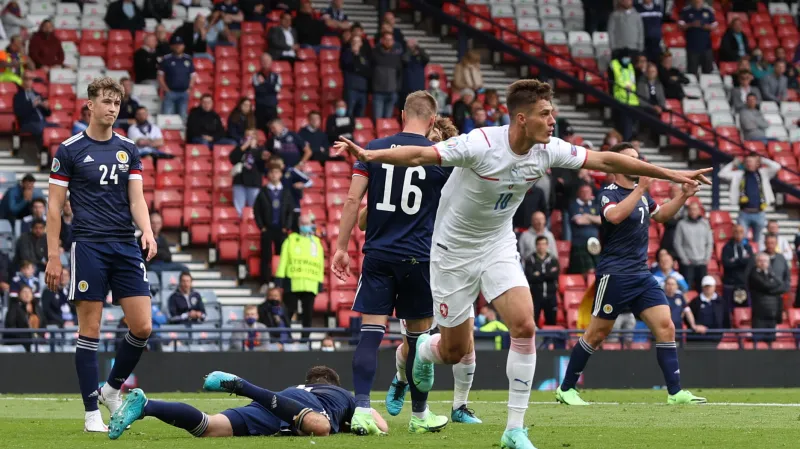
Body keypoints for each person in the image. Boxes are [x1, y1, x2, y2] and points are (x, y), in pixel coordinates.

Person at [334, 79, 711, 448]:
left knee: (525, 325)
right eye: (545, 114)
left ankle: (514, 429)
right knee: (452, 351)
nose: (552, 121)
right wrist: (370, 156)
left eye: (552, 114)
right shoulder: (481, 143)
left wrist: (671, 174)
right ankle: (420, 352)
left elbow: (605, 158)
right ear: (521, 119)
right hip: (452, 252)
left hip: (497, 245)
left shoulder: (547, 149)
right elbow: (419, 155)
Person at [332, 91, 457, 435]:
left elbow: (353, 199)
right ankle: (419, 416)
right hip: (420, 258)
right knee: (418, 343)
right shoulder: (439, 159)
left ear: (403, 113)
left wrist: (342, 248)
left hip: (379, 256)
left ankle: (360, 411)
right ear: (433, 120)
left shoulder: (373, 148)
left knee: (370, 336)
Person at [45, 77, 157, 433]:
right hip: (89, 245)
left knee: (143, 326)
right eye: (106, 101)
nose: (112, 108)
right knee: (89, 329)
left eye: (116, 103)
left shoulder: (129, 148)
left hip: (125, 244)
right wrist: (53, 255)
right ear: (89, 105)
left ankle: (111, 388)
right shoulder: (69, 150)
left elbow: (136, 198)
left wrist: (148, 231)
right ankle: (91, 412)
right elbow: (54, 208)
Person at [556, 143, 706, 406]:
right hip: (614, 274)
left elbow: (661, 217)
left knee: (666, 326)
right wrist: (639, 190)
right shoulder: (608, 193)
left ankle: (675, 392)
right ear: (617, 166)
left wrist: (683, 195)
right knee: (597, 333)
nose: (637, 164)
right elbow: (613, 217)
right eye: (631, 160)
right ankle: (566, 388)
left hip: (641, 274)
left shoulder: (644, 197)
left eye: (639, 159)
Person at [108, 366, 388, 439]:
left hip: (280, 404)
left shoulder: (299, 385)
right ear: (333, 383)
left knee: (210, 427)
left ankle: (146, 406)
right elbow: (381, 425)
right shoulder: (342, 395)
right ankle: (244, 386)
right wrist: (355, 420)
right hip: (302, 406)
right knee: (321, 427)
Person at [275, 214, 324, 342]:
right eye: (302, 223)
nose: (305, 226)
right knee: (289, 312)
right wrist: (279, 278)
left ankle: (305, 340)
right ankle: (286, 337)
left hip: (311, 283)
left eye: (307, 223)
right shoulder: (290, 240)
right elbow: (283, 260)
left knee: (307, 315)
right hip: (292, 281)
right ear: (298, 224)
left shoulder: (316, 242)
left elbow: (320, 263)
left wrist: (320, 281)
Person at [719, 154, 781, 243]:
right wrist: (733, 163)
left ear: (757, 163)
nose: (749, 163)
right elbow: (722, 174)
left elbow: (777, 167)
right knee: (741, 239)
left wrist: (762, 160)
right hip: (744, 213)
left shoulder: (763, 173)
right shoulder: (739, 174)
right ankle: (744, 256)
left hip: (759, 213)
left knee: (758, 240)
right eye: (747, 161)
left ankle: (756, 256)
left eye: (751, 161)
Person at [253, 165, 294, 289]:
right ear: (268, 175)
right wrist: (262, 227)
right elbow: (257, 211)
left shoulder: (286, 192)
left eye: (277, 172)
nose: (274, 175)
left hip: (281, 230)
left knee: (282, 256)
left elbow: (290, 211)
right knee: (266, 256)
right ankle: (265, 282)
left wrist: (286, 227)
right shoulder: (263, 191)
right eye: (272, 172)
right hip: (267, 229)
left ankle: (280, 282)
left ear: (280, 174)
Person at [672, 201, 713, 292]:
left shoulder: (705, 224)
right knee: (686, 289)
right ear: (688, 211)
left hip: (702, 262)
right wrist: (685, 259)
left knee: (702, 290)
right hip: (687, 263)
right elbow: (677, 243)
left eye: (695, 209)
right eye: (691, 209)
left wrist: (706, 258)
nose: (693, 211)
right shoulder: (681, 224)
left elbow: (709, 242)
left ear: (699, 211)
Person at [748, 253, 785, 344]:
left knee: (771, 343)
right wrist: (774, 289)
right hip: (759, 315)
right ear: (756, 262)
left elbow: (782, 286)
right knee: (758, 344)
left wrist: (772, 285)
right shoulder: (753, 274)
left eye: (765, 261)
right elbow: (765, 285)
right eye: (760, 261)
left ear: (768, 263)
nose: (762, 263)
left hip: (771, 315)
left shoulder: (771, 274)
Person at [158, 35, 196, 121]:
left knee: (183, 117)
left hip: (184, 92)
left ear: (183, 46)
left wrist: (189, 89)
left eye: (180, 44)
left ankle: (181, 134)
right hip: (170, 92)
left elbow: (193, 76)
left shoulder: (188, 59)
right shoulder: (166, 59)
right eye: (175, 44)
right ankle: (167, 134)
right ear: (171, 46)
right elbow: (160, 76)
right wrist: (166, 90)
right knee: (167, 117)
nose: (178, 46)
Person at [229, 128, 266, 215]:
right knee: (238, 207)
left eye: (251, 136)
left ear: (256, 137)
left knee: (254, 207)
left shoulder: (261, 149)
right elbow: (233, 158)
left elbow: (261, 164)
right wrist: (244, 146)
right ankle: (239, 225)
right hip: (239, 181)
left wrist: (253, 149)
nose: (249, 138)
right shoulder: (240, 148)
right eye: (247, 136)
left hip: (254, 182)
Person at [525, 236, 560, 326]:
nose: (541, 246)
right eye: (539, 244)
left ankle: (550, 340)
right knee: (533, 323)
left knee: (551, 323)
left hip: (551, 296)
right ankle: (535, 340)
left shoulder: (553, 259)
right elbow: (530, 278)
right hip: (536, 296)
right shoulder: (530, 260)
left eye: (544, 244)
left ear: (547, 245)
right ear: (536, 246)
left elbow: (555, 276)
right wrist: (547, 274)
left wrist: (539, 274)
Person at [13, 72, 56, 145]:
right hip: (28, 123)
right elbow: (18, 113)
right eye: (26, 79)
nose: (29, 81)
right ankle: (43, 151)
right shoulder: (18, 96)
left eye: (31, 79)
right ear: (22, 80)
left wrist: (46, 107)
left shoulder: (37, 94)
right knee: (40, 128)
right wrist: (32, 105)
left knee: (59, 127)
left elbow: (48, 114)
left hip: (42, 122)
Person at [567, 184, 601, 274]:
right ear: (579, 193)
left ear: (591, 193)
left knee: (598, 270)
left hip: (595, 244)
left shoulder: (595, 206)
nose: (586, 194)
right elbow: (579, 221)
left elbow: (602, 220)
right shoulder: (573, 205)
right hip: (580, 243)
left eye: (588, 192)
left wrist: (587, 216)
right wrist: (594, 219)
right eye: (583, 192)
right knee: (587, 271)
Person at [678, 0, 717, 76]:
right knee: (692, 72)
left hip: (706, 47)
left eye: (699, 1)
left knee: (708, 72)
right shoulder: (686, 11)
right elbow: (680, 26)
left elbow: (714, 26)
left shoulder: (708, 11)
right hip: (692, 47)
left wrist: (703, 26)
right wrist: (692, 25)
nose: (698, 2)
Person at [372, 31, 403, 120]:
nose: (388, 41)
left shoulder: (396, 57)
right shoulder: (374, 53)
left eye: (390, 40)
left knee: (388, 121)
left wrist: (397, 89)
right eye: (386, 39)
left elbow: (399, 74)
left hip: (392, 93)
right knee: (378, 121)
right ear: (382, 40)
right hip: (378, 92)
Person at [721, 224, 754, 309]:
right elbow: (726, 264)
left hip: (744, 283)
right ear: (732, 233)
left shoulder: (748, 247)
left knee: (745, 309)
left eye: (741, 232)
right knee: (729, 309)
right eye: (736, 232)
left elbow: (751, 262)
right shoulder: (727, 247)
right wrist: (742, 261)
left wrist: (735, 261)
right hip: (730, 283)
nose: (738, 234)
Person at [687, 275, 726, 346]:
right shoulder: (695, 302)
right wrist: (696, 326)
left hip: (716, 339)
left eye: (710, 286)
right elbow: (688, 319)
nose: (708, 288)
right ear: (702, 287)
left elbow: (726, 319)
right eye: (706, 286)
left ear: (714, 287)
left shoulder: (721, 302)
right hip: (697, 339)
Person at [3, 284, 41, 352]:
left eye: (29, 292)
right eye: (24, 292)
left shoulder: (37, 308)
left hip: (36, 340)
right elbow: (10, 326)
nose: (27, 294)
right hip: (19, 341)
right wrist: (25, 337)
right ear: (19, 295)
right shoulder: (14, 308)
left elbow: (43, 324)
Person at [252, 54, 280, 130]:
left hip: (272, 108)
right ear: (260, 62)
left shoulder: (276, 76)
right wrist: (270, 86)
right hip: (260, 108)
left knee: (274, 129)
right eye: (263, 61)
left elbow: (276, 90)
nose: (265, 62)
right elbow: (259, 90)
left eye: (267, 60)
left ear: (271, 62)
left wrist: (264, 83)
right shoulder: (255, 76)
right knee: (260, 130)